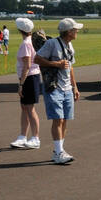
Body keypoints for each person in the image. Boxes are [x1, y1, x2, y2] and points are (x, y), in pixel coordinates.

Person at [35, 18, 82, 164]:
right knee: (58, 119)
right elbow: (37, 59)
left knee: (65, 120)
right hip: (54, 87)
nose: (77, 31)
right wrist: (56, 63)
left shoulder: (70, 45)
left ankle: (59, 150)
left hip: (67, 88)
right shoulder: (51, 44)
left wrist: (75, 87)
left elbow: (70, 67)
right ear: (69, 31)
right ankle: (58, 152)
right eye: (75, 29)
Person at [10, 17, 42, 149]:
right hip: (30, 77)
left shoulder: (25, 44)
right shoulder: (31, 41)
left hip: (29, 78)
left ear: (20, 30)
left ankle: (35, 138)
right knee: (25, 107)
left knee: (29, 108)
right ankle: (23, 136)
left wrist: (21, 84)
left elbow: (27, 65)